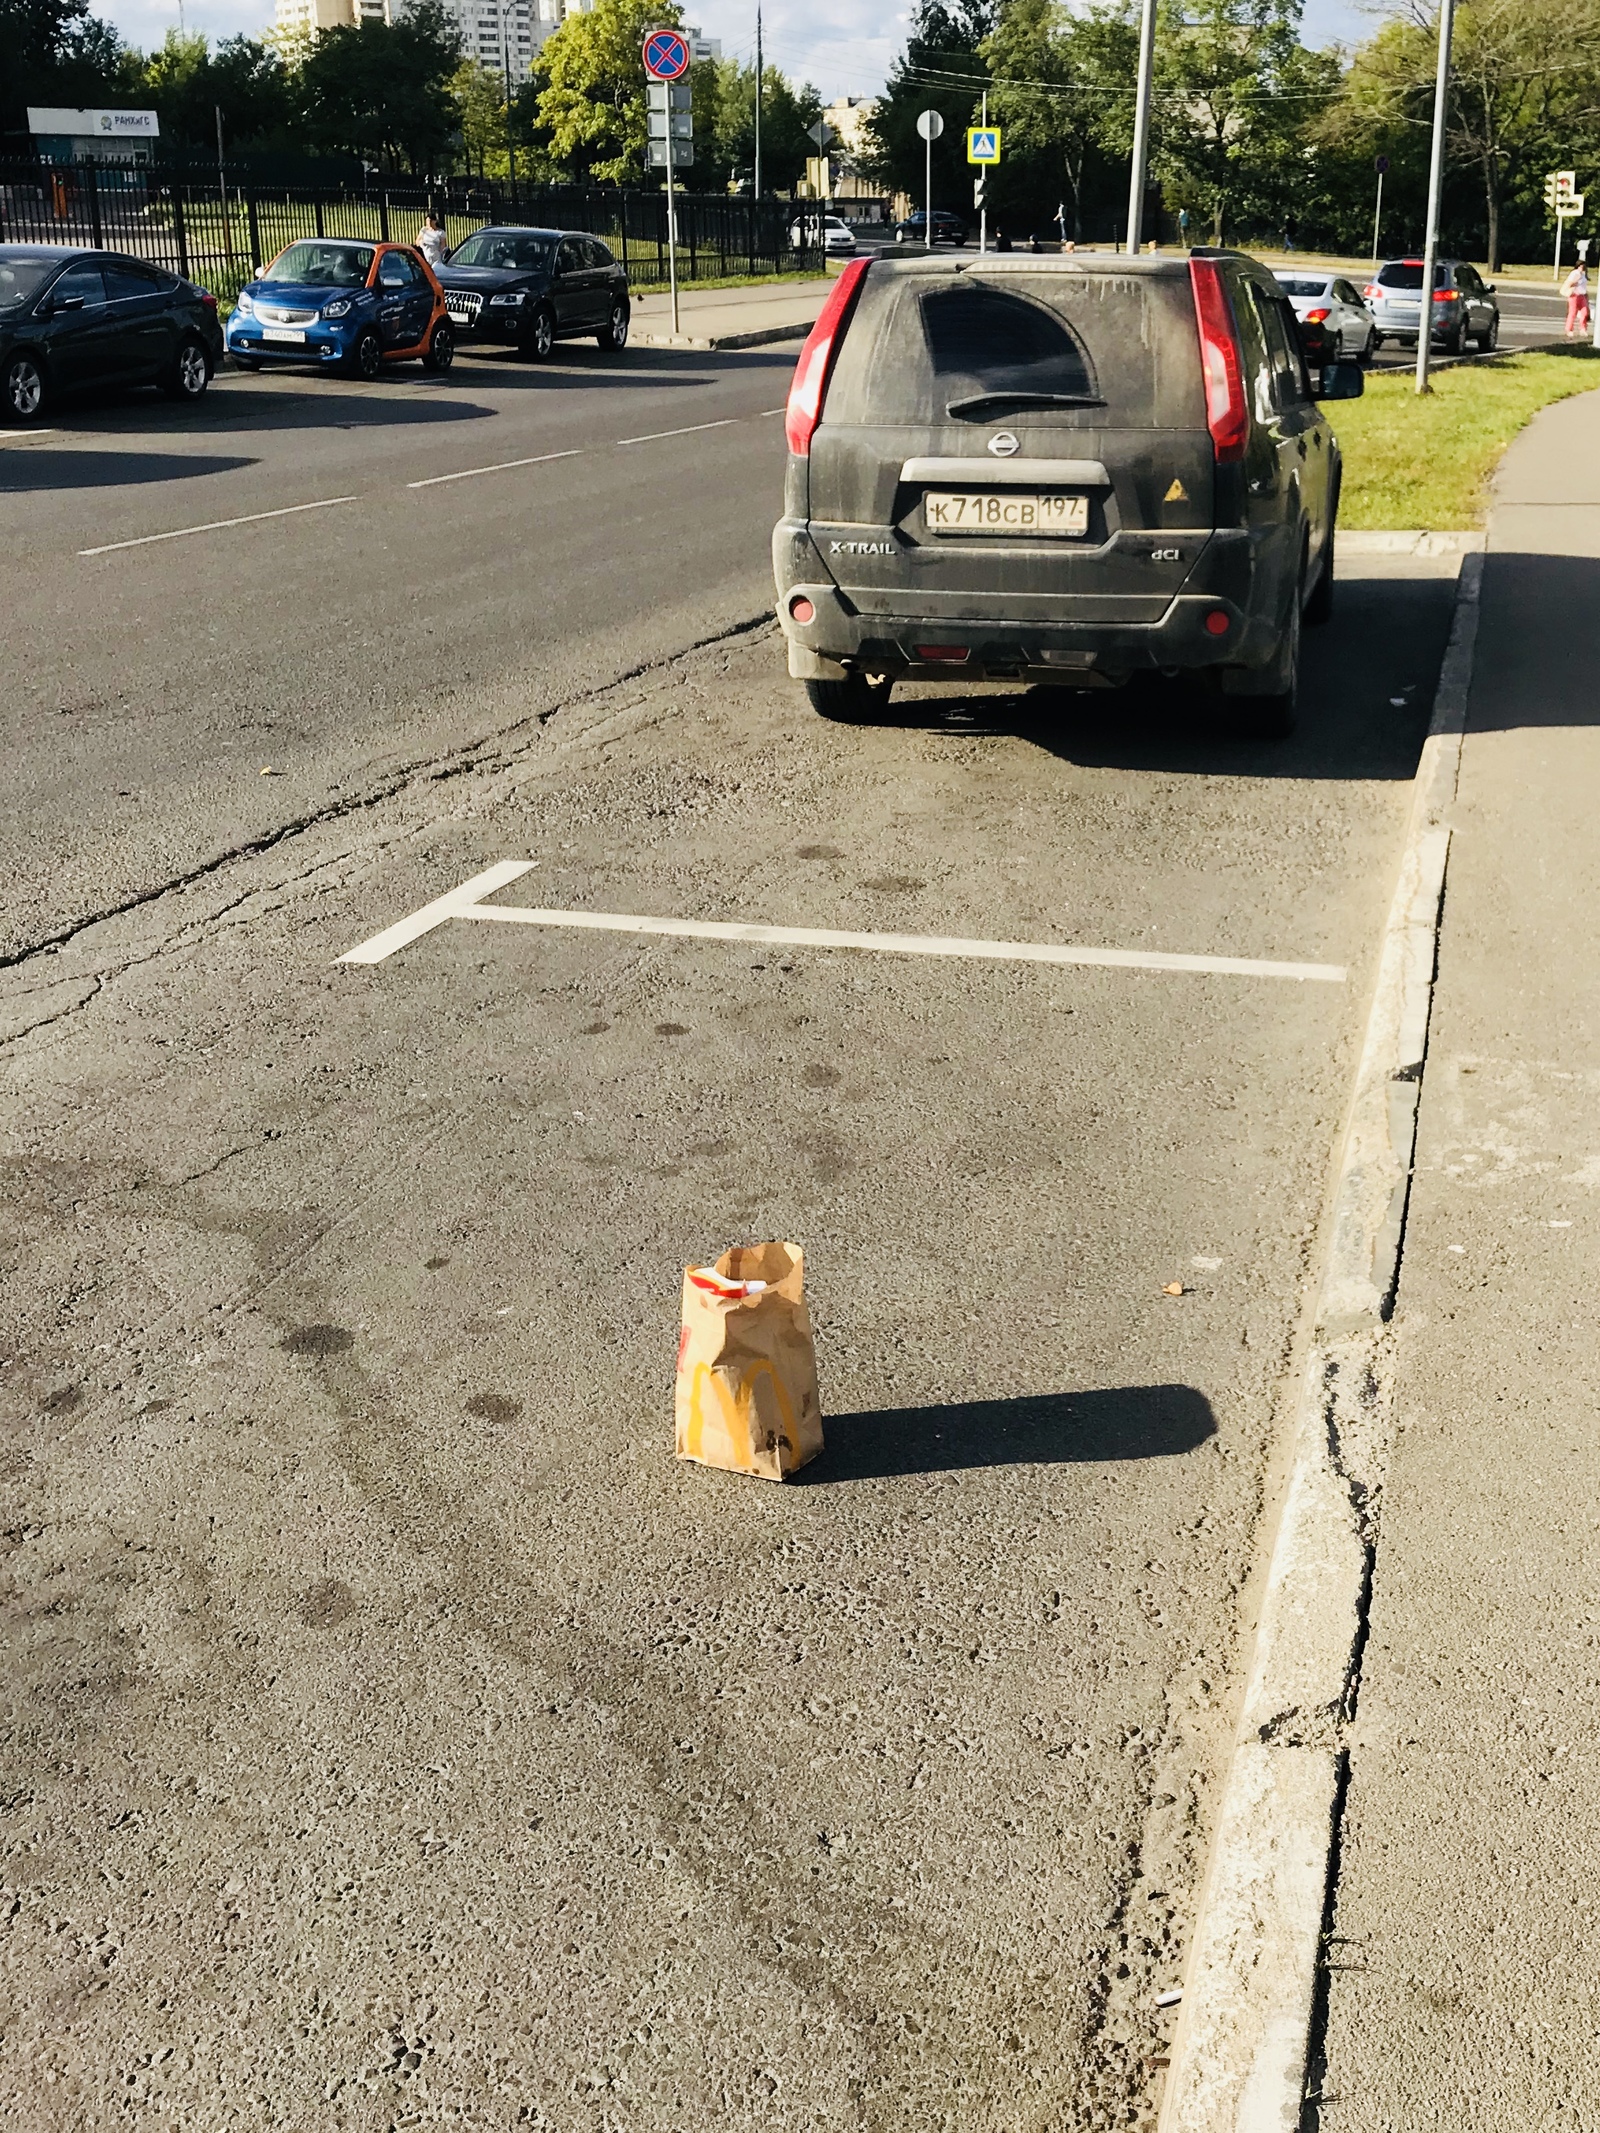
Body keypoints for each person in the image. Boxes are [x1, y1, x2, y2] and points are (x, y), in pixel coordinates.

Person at [1564, 259, 1591, 338]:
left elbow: (1584, 286)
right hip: (1574, 295)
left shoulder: (1583, 274)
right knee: (1572, 313)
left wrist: (1586, 295)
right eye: (1581, 266)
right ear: (1578, 266)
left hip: (1582, 295)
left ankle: (1583, 329)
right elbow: (1569, 284)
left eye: (1584, 266)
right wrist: (1576, 279)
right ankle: (1569, 329)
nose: (1582, 267)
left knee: (1585, 312)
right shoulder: (1574, 273)